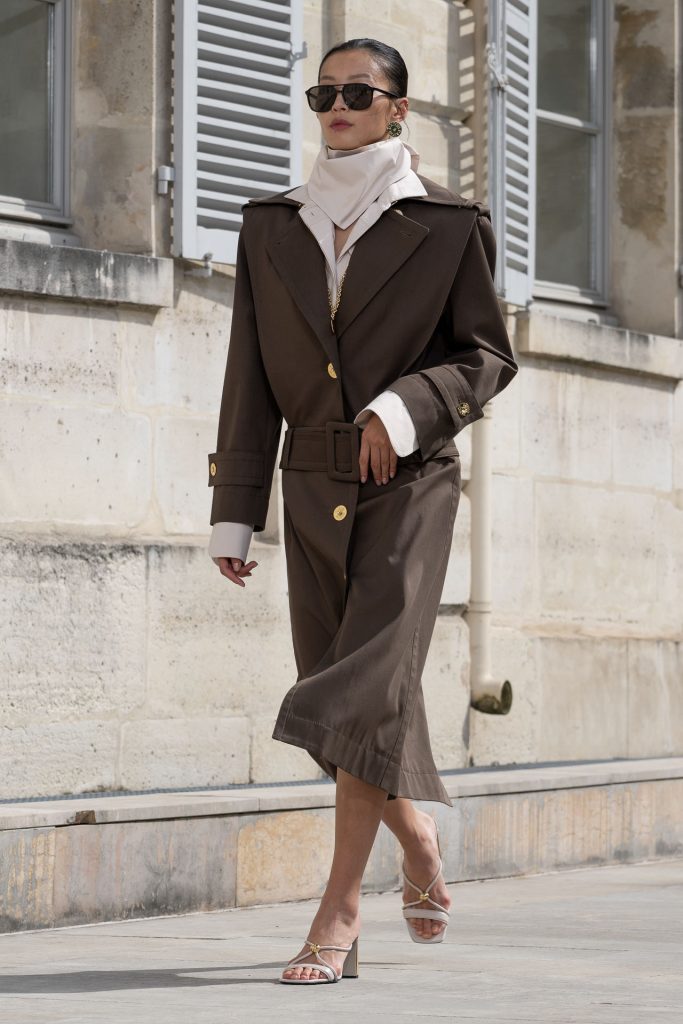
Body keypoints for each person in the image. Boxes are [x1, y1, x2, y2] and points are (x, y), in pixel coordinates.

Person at [207, 38, 518, 984]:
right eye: (323, 93)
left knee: (352, 697)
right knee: (346, 697)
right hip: (309, 483)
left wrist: (401, 407)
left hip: (409, 482)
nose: (337, 105)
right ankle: (417, 838)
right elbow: (249, 372)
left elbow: (485, 356)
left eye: (357, 91)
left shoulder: (450, 223)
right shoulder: (271, 223)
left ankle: (337, 911)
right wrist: (234, 509)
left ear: (397, 108)